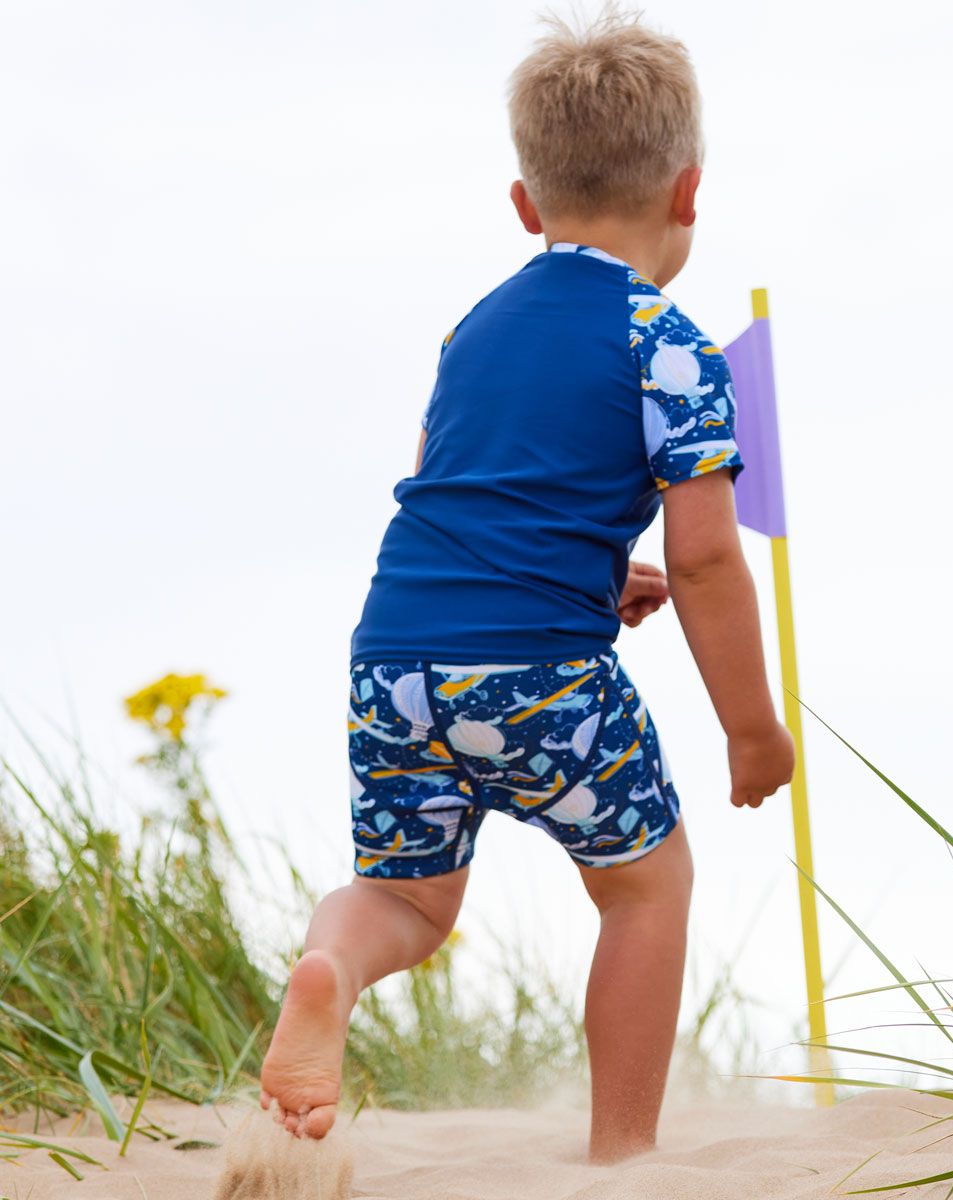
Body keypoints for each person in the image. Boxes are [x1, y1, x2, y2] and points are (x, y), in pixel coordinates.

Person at [259, 8, 794, 1163]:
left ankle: (331, 970)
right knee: (647, 888)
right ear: (689, 190)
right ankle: (621, 1160)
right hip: (544, 676)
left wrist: (598, 580)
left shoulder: (471, 331)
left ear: (524, 205)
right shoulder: (672, 343)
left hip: (394, 657)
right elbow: (707, 553)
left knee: (405, 899)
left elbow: (452, 499)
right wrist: (753, 733)